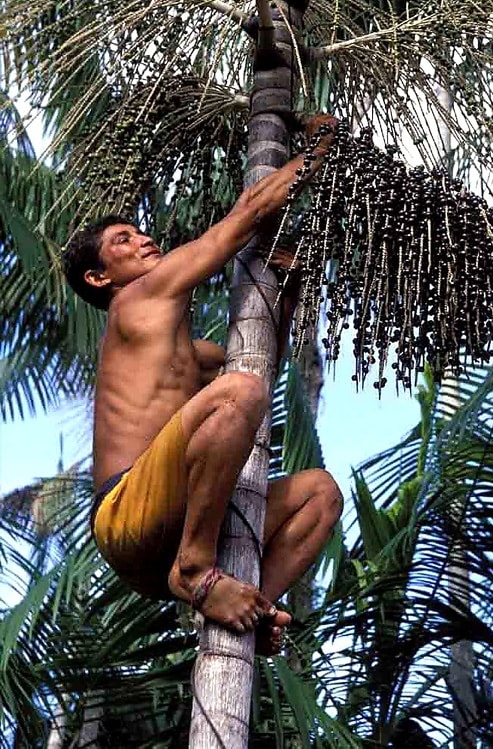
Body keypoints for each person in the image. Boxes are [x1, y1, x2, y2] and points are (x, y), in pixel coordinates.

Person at [62, 115, 343, 655]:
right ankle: (198, 573)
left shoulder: (184, 355)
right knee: (239, 393)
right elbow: (246, 216)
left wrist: (286, 288)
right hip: (127, 513)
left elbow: (263, 362)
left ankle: (254, 609)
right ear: (100, 278)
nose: (145, 240)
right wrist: (317, 152)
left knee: (320, 494)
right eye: (124, 240)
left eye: (140, 232)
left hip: (162, 538)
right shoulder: (135, 299)